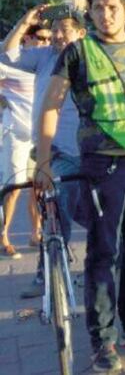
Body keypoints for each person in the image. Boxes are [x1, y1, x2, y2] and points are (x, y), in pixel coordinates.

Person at [35, 0, 125, 372]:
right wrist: (43, 162)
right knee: (104, 251)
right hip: (101, 165)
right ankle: (103, 340)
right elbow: (51, 106)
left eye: (113, 7)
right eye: (98, 7)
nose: (105, 14)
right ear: (89, 12)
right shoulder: (77, 53)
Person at [2, 5, 86, 296]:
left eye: (66, 29)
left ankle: (95, 272)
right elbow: (8, 53)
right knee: (55, 213)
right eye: (56, 29)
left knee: (92, 216)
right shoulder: (44, 56)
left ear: (80, 33)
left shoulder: (88, 58)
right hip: (53, 151)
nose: (59, 35)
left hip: (83, 150)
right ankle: (46, 276)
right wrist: (25, 21)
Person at [0, 23, 50, 258]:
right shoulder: (10, 64)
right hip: (16, 134)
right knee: (14, 187)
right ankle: (4, 235)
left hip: (39, 135)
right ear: (27, 38)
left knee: (37, 186)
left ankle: (36, 232)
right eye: (40, 38)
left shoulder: (45, 64)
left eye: (47, 39)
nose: (45, 43)